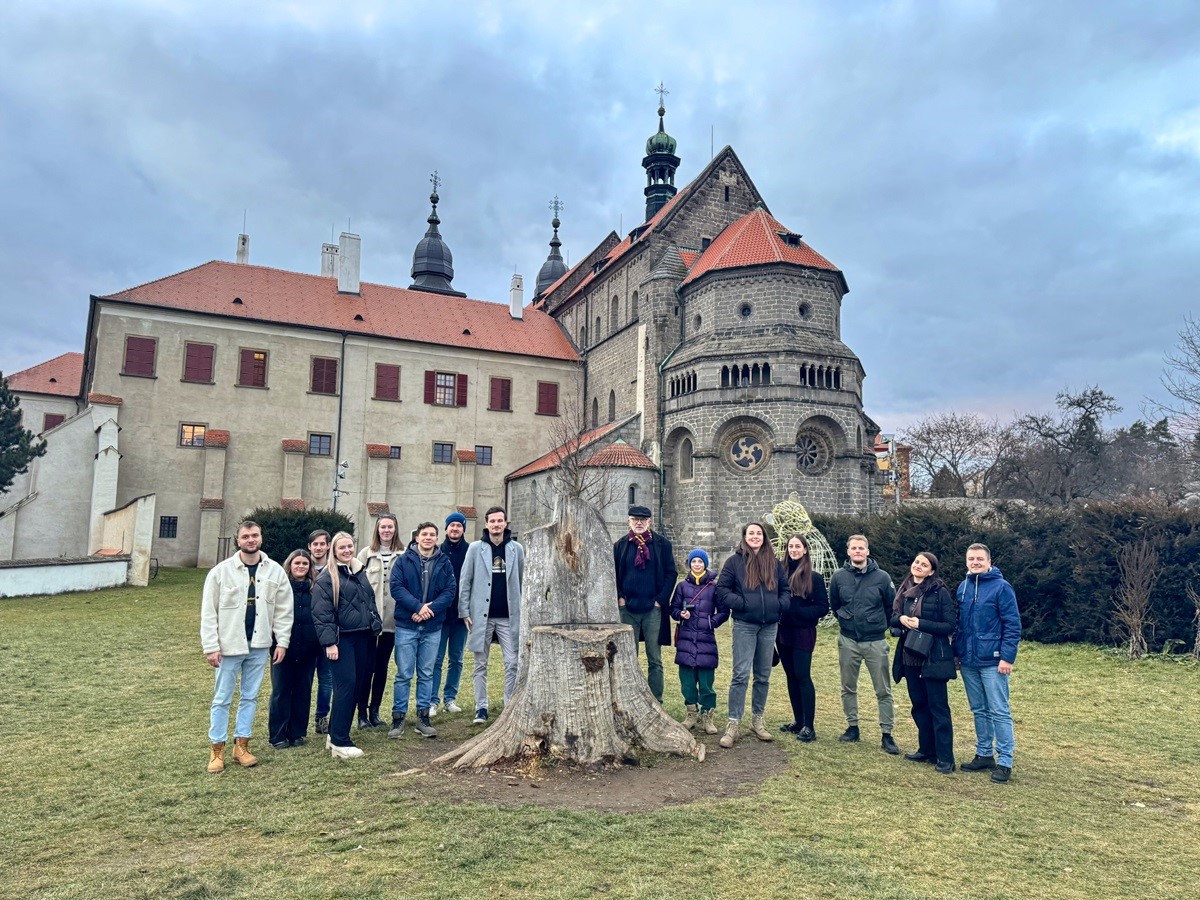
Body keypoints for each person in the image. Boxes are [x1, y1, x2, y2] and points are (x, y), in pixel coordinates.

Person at [200, 520, 293, 773]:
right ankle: (216, 749)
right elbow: (209, 612)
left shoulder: (274, 571)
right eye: (245, 536)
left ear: (261, 538)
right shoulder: (220, 572)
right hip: (229, 646)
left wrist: (281, 641)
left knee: (250, 696)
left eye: (255, 535)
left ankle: (242, 745)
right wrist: (211, 646)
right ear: (238, 540)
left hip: (259, 644)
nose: (251, 540)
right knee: (222, 699)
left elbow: (284, 611)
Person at [716, 522, 790, 748]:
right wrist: (742, 604)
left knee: (763, 675)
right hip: (745, 625)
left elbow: (785, 589)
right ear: (744, 537)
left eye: (759, 533)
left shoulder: (774, 563)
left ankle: (758, 720)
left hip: (769, 626)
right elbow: (721, 590)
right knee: (740, 675)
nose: (755, 537)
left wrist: (779, 605)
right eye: (751, 533)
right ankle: (733, 723)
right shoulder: (734, 562)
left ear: (764, 537)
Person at [954, 543, 1022, 783]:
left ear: (988, 561)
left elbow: (1012, 624)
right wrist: (957, 653)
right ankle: (984, 753)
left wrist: (1007, 657)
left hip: (993, 660)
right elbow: (959, 625)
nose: (975, 562)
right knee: (979, 709)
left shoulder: (1002, 588)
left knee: (999, 710)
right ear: (966, 562)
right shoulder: (963, 588)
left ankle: (1005, 760)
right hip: (969, 661)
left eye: (979, 559)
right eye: (971, 559)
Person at [828, 534, 900, 754]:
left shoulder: (882, 577)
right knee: (848, 687)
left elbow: (891, 606)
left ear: (867, 551)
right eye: (854, 548)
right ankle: (852, 727)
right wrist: (847, 620)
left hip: (875, 641)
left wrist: (878, 625)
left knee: (883, 690)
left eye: (861, 548)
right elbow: (835, 603)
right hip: (848, 639)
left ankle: (887, 734)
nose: (857, 551)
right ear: (848, 552)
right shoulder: (839, 577)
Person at [312, 532, 381, 759]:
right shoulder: (326, 578)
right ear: (334, 550)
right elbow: (322, 615)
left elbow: (368, 600)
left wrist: (375, 622)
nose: (347, 551)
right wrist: (330, 643)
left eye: (349, 546)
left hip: (363, 637)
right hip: (342, 640)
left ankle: (334, 733)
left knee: (358, 684)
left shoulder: (358, 571)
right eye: (342, 547)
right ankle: (341, 741)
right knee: (346, 686)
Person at [890, 552, 957, 774]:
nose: (918, 566)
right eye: (917, 562)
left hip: (933, 657)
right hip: (910, 656)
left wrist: (921, 623)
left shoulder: (940, 592)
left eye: (924, 564)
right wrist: (900, 620)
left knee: (938, 708)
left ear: (931, 570)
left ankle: (945, 757)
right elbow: (892, 618)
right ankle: (926, 749)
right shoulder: (904, 589)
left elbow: (949, 625)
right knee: (919, 706)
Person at [388, 521, 457, 738]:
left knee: (427, 673)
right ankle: (398, 719)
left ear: (437, 538)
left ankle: (423, 718)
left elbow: (449, 591)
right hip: (407, 625)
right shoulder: (403, 560)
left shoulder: (444, 562)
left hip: (432, 627)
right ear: (416, 537)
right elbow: (396, 588)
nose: (428, 538)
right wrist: (417, 607)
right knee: (404, 674)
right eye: (424, 534)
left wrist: (429, 610)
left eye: (432, 534)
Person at [459, 506, 525, 725]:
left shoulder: (517, 549)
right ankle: (481, 707)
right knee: (480, 664)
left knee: (513, 662)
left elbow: (524, 582)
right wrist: (464, 611)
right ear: (486, 524)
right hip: (482, 617)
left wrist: (524, 612)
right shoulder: (476, 549)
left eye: (500, 521)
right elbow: (465, 580)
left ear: (506, 523)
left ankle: (509, 705)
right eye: (492, 521)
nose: (496, 525)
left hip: (509, 616)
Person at [613, 504, 678, 703]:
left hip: (653, 609)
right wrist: (621, 598)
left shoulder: (662, 544)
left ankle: (655, 700)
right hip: (628, 609)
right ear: (629, 522)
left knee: (655, 659)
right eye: (635, 519)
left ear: (649, 522)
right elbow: (613, 574)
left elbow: (671, 573)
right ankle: (628, 699)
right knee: (627, 657)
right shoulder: (621, 545)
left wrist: (660, 600)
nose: (639, 523)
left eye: (643, 520)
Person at [669, 548, 728, 735]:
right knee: (687, 681)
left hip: (705, 639)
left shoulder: (714, 587)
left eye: (700, 561)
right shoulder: (681, 587)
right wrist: (680, 614)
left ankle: (707, 715)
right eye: (693, 561)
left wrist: (711, 621)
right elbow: (673, 608)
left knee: (706, 682)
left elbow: (724, 612)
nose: (696, 564)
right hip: (686, 639)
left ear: (705, 564)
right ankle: (691, 714)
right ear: (689, 564)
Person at [777, 534, 830, 743]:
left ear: (805, 549)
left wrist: (800, 614)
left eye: (798, 546)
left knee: (802, 675)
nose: (794, 550)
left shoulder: (813, 577)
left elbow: (822, 607)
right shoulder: (780, 572)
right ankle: (798, 721)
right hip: (784, 631)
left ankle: (809, 725)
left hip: (802, 632)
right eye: (791, 546)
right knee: (790, 675)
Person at [268, 550, 320, 749]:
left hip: (308, 648)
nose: (301, 566)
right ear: (289, 565)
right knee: (281, 691)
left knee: (302, 691)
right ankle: (278, 735)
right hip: (283, 649)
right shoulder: (281, 588)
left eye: (305, 564)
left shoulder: (314, 589)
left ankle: (297, 732)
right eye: (297, 563)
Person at [357, 514, 402, 729]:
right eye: (383, 526)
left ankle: (375, 711)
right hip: (369, 623)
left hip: (391, 622)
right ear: (377, 529)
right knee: (366, 668)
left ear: (395, 529)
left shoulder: (402, 555)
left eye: (390, 527)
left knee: (382, 667)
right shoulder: (365, 554)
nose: (386, 530)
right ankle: (361, 714)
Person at [430, 511, 470, 716]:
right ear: (446, 529)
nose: (455, 529)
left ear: (463, 528)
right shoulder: (437, 552)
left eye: (459, 525)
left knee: (457, 658)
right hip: (441, 614)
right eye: (451, 525)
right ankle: (432, 700)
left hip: (461, 615)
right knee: (436, 659)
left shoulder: (470, 551)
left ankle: (450, 698)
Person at [307, 529, 334, 735]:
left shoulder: (333, 569)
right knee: (304, 679)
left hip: (327, 632)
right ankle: (298, 718)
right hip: (306, 632)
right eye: (314, 544)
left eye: (322, 544)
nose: (318, 547)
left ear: (328, 546)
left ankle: (321, 717)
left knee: (326, 678)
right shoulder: (301, 566)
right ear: (310, 546)